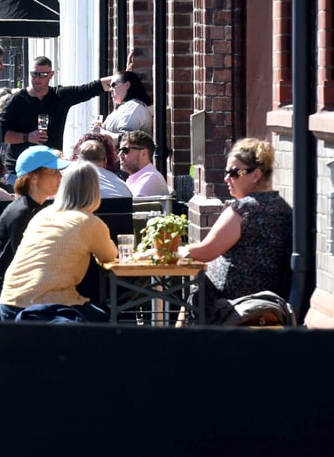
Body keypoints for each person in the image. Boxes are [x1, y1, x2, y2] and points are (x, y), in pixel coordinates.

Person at [179, 138, 292, 321]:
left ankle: (182, 348)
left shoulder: (243, 209)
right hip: (273, 298)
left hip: (233, 303)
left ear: (256, 174)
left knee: (197, 292)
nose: (226, 179)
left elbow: (205, 252)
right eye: (226, 173)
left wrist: (176, 251)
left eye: (234, 173)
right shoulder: (283, 208)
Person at [0, 161, 117, 321]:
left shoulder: (42, 214)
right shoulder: (90, 222)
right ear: (95, 190)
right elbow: (110, 256)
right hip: (47, 305)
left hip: (8, 305)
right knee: (104, 322)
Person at [0, 56, 112, 186]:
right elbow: (1, 134)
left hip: (50, 169)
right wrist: (27, 137)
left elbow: (88, 89)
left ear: (51, 75)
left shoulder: (59, 96)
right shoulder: (16, 100)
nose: (37, 78)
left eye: (42, 75)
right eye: (34, 74)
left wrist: (121, 79)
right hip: (20, 171)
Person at [0, 146, 70, 319]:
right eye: (54, 172)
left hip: (25, 297)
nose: (60, 177)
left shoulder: (36, 209)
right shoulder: (22, 212)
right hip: (8, 302)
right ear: (33, 177)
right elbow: (29, 264)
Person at [97, 70, 153, 142]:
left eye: (114, 85)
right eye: (109, 86)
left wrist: (101, 132)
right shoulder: (123, 108)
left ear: (127, 85)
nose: (110, 89)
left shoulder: (133, 108)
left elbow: (125, 139)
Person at [118, 130, 169, 196]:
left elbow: (131, 206)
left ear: (143, 153)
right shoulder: (136, 178)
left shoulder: (151, 178)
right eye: (119, 150)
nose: (119, 155)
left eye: (125, 150)